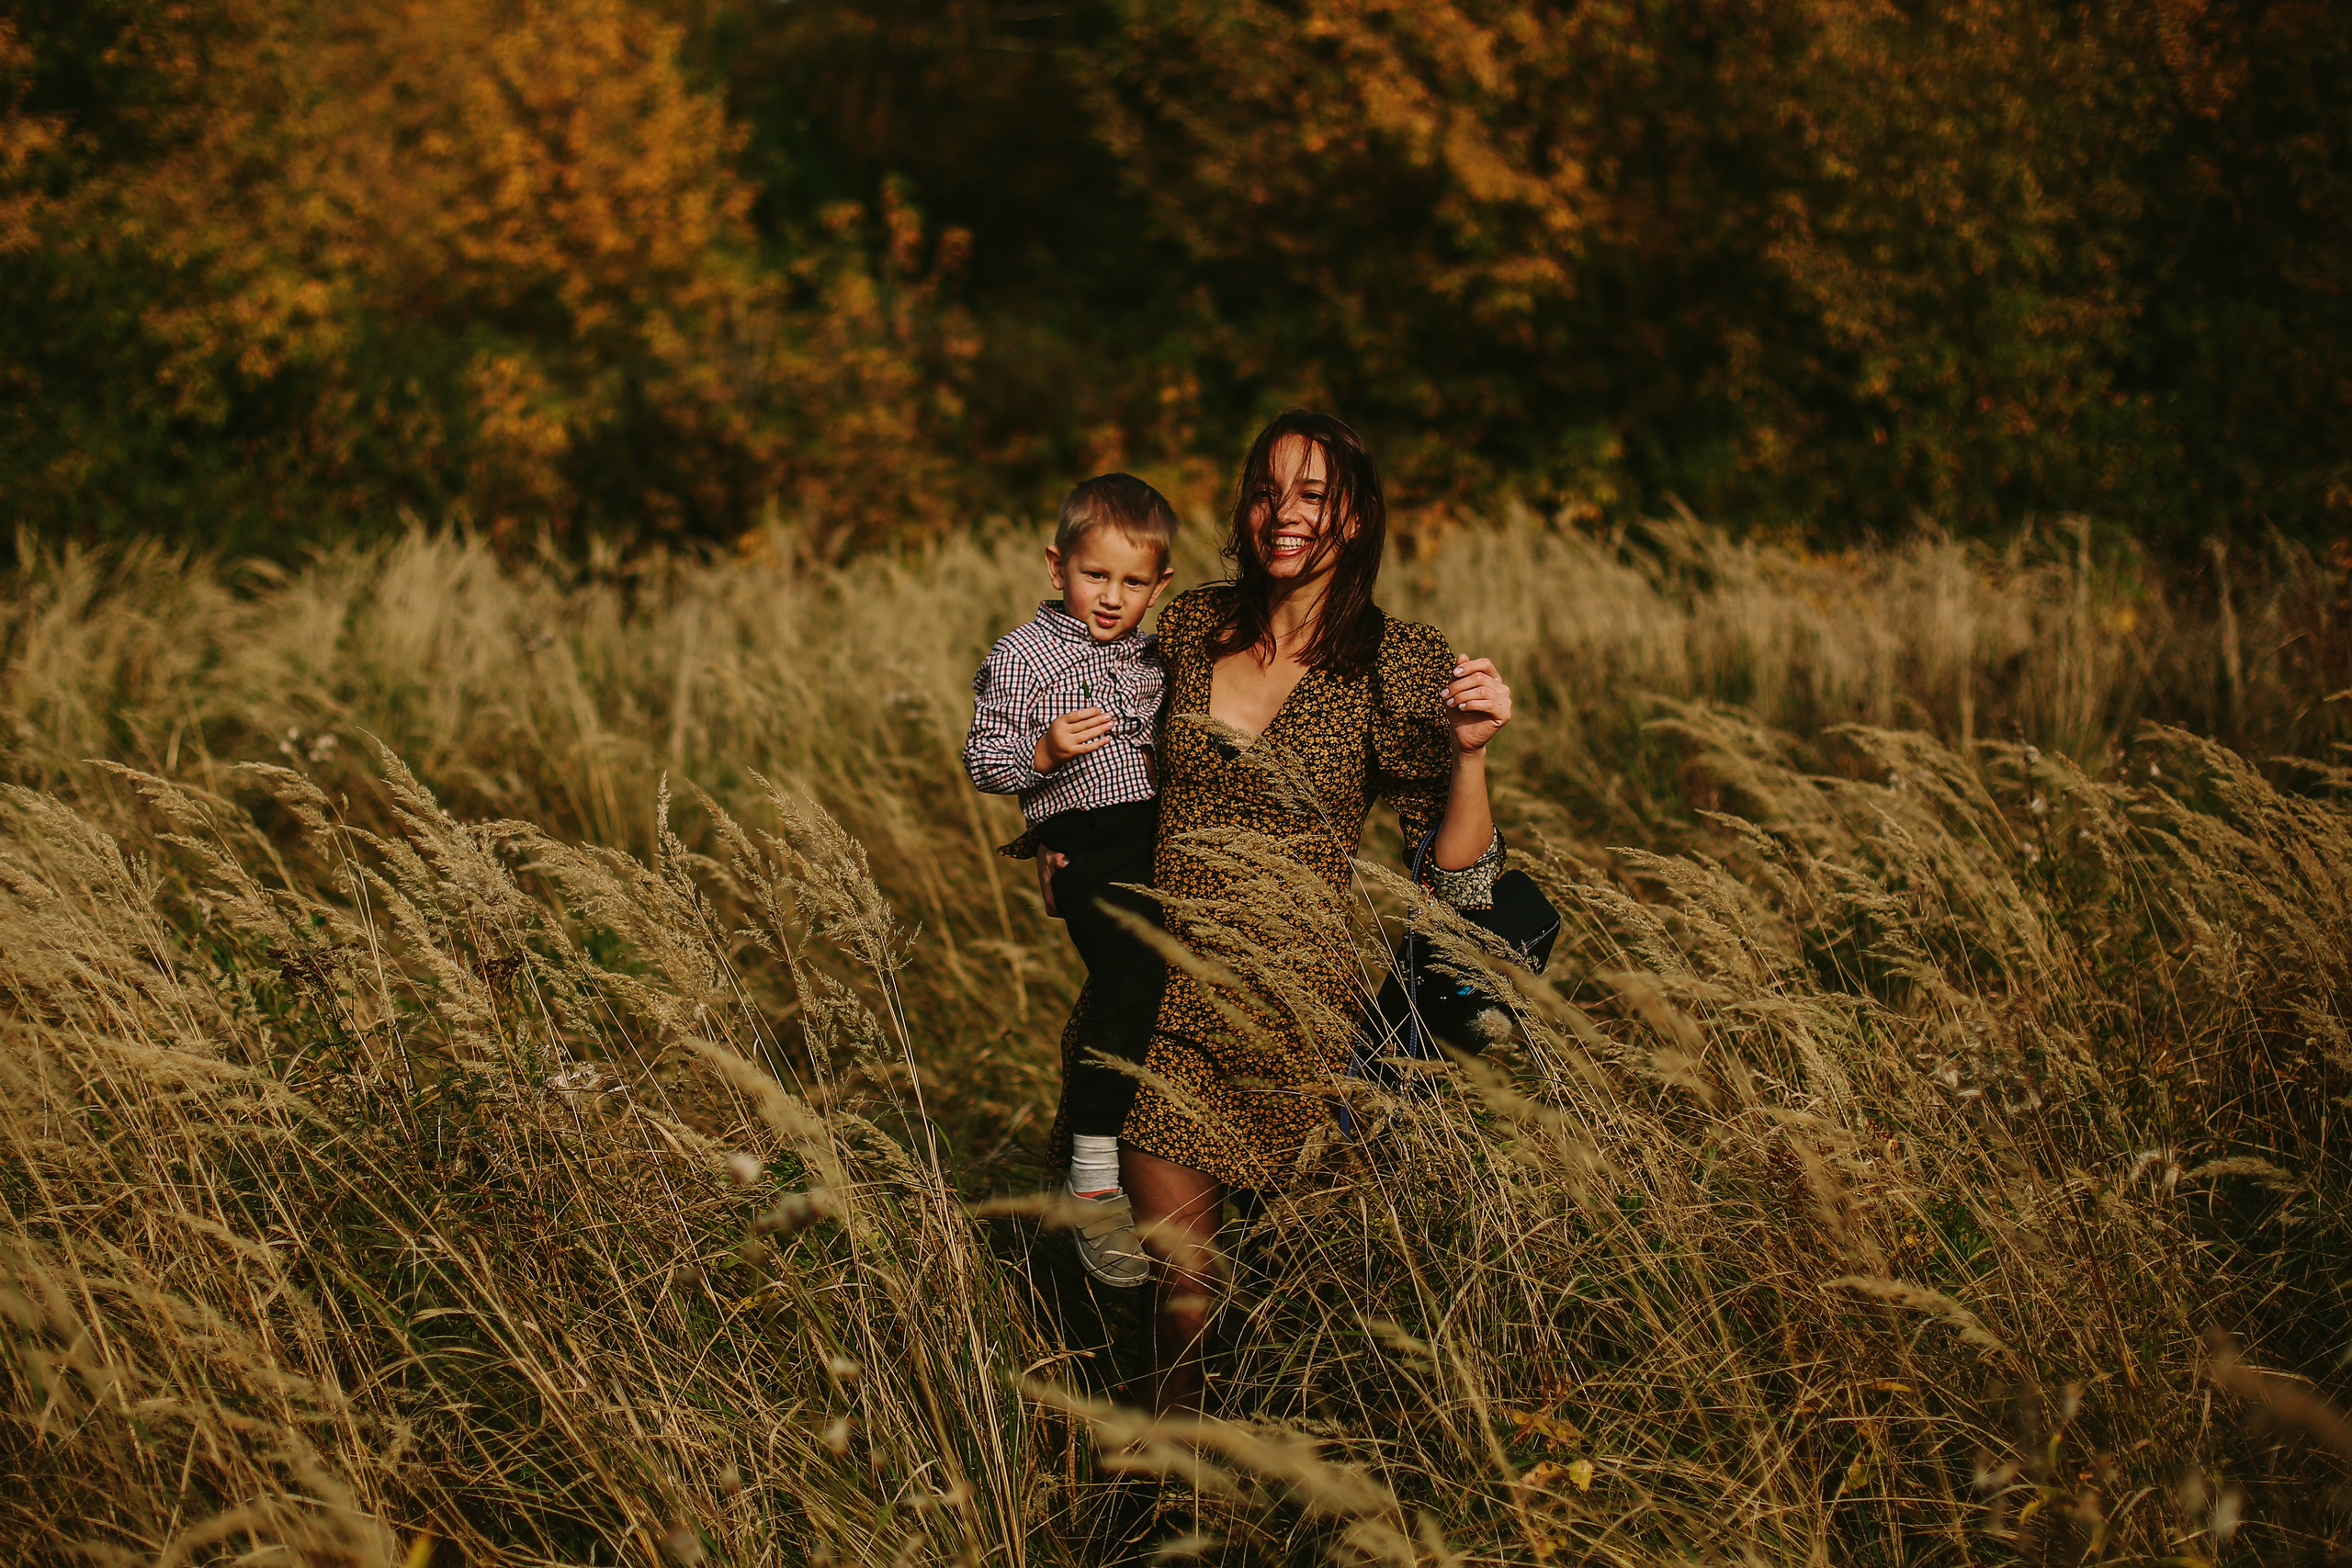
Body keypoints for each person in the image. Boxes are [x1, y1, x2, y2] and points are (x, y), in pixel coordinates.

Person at [1040, 412, 1513, 1412]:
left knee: (1299, 1314)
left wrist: (1469, 754)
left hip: (1298, 1021)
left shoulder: (1397, 659)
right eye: (1266, 490)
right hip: (1160, 996)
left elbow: (1454, 876)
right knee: (1183, 1303)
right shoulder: (1180, 623)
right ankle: (1167, 1505)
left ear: (1359, 514)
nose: (1282, 514)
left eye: (1312, 494)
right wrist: (1060, 835)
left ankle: (1278, 1496)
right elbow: (1079, 724)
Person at [963, 473, 1181, 1288]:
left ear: (1158, 587)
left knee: (1166, 982)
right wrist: (1043, 754)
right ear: (1058, 567)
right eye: (1097, 576)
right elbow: (982, 757)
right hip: (1085, 843)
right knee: (1131, 976)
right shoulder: (1022, 653)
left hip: (1155, 838)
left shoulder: (1157, 654)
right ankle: (1093, 1174)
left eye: (1133, 583)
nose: (1112, 597)